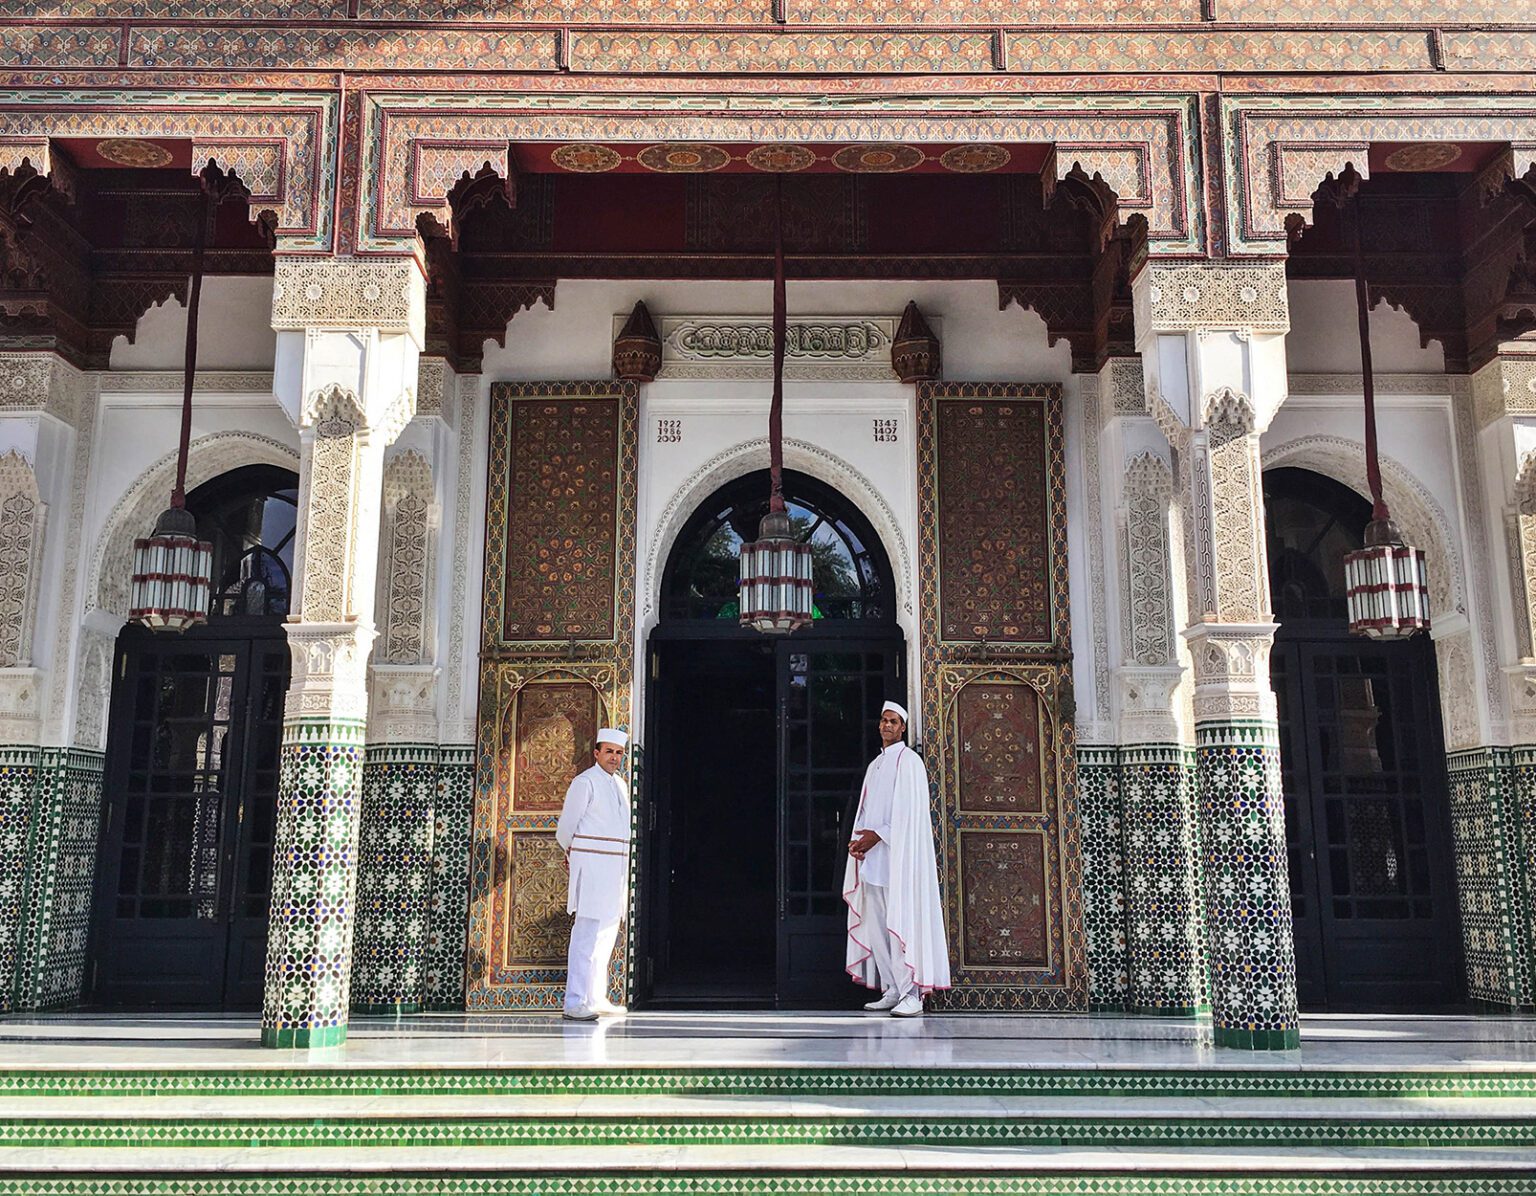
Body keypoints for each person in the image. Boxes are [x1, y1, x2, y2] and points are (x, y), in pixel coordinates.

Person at [844, 700, 950, 1016]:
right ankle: (892, 988)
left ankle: (911, 994)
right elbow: (865, 812)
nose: (887, 725)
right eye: (883, 721)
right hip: (873, 861)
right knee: (877, 925)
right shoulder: (875, 766)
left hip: (897, 860)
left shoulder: (909, 762)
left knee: (899, 922)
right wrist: (858, 841)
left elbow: (907, 815)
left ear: (902, 727)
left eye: (893, 721)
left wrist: (877, 836)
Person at [556, 728, 631, 1021]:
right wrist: (573, 854)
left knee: (607, 932)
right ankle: (575, 1001)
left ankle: (596, 997)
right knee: (587, 933)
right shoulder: (584, 782)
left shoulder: (621, 785)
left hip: (616, 869)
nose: (614, 757)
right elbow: (566, 828)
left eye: (618, 753)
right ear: (597, 753)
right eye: (609, 751)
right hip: (592, 866)